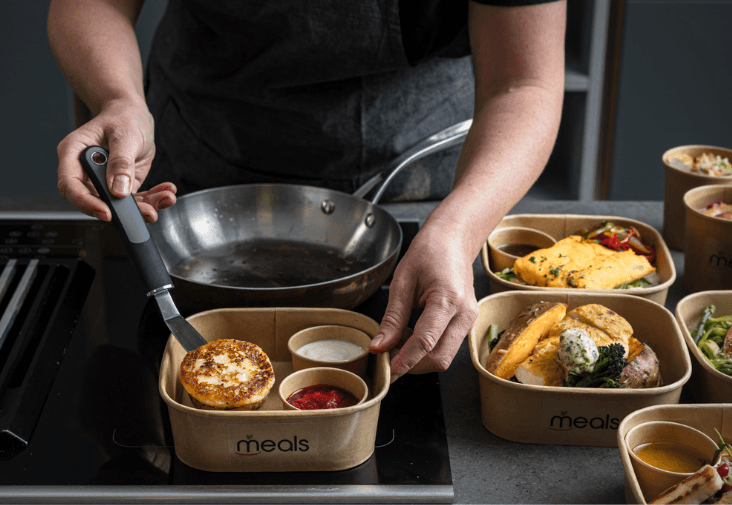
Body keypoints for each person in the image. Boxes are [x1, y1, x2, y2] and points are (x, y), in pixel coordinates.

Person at [48, 0, 566, 382]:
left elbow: (523, 83)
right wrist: (119, 100)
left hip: (425, 178)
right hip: (201, 160)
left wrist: (457, 230)